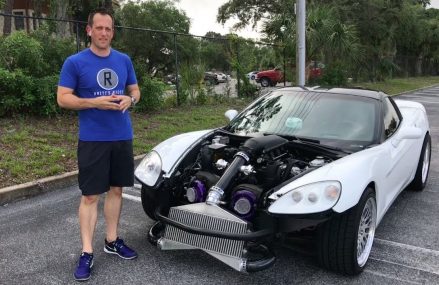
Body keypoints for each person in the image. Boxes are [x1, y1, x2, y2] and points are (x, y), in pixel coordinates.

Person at [57, 8, 141, 282]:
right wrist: (93, 102)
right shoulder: (75, 62)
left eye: (109, 28)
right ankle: (87, 251)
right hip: (93, 139)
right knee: (90, 196)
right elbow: (63, 98)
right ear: (89, 30)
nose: (104, 33)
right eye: (99, 28)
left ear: (112, 32)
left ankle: (112, 240)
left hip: (121, 136)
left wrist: (132, 100)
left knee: (116, 190)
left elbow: (135, 89)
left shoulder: (124, 59)